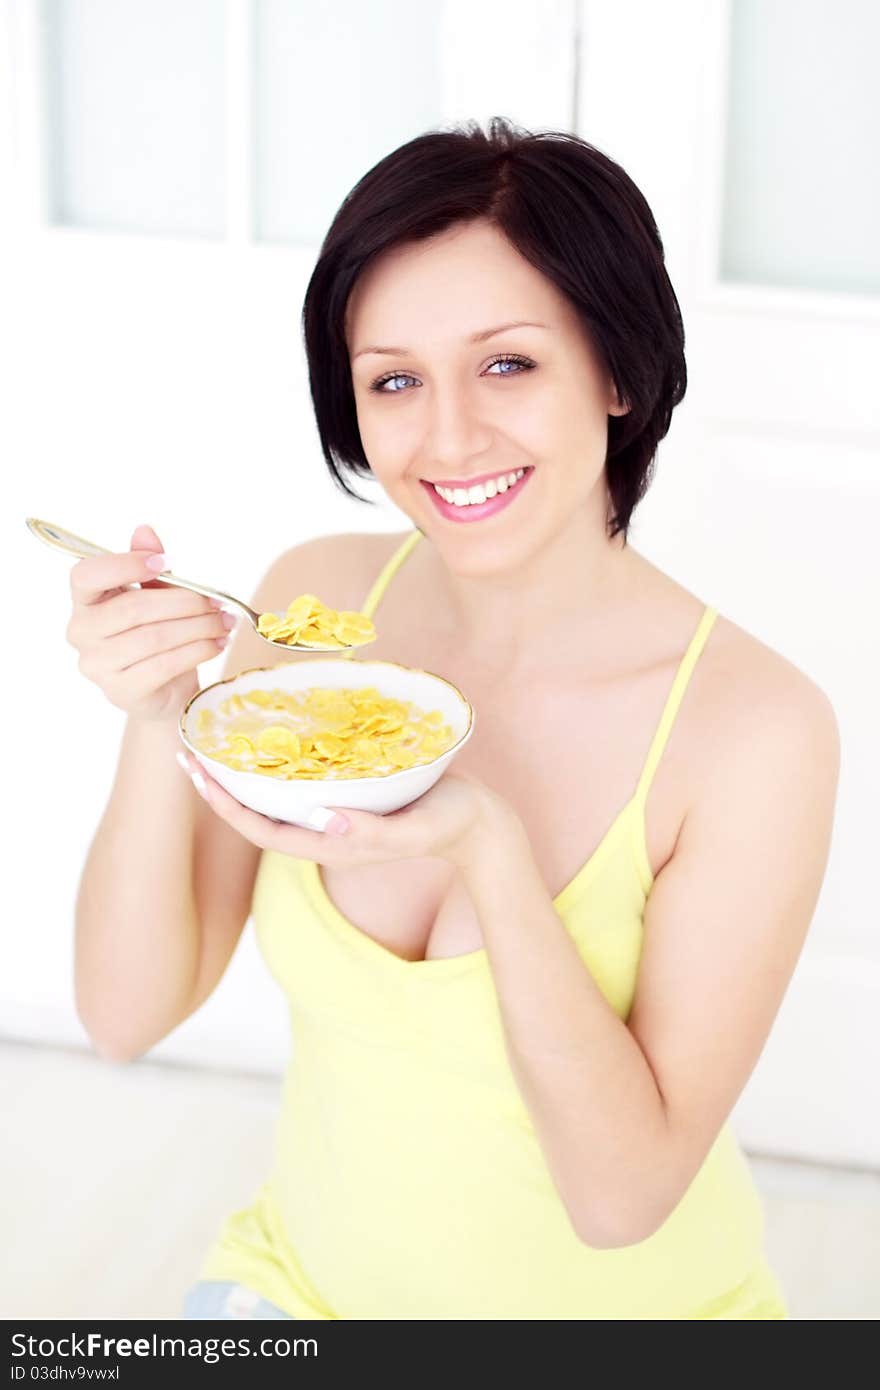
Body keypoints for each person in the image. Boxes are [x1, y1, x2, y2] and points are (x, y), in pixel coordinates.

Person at [69, 117, 840, 1320]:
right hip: (300, 1295)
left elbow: (621, 1200)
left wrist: (489, 853)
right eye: (393, 380)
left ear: (619, 368)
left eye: (507, 364)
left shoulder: (754, 729)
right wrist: (160, 710)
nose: (446, 438)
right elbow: (125, 1015)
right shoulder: (312, 599)